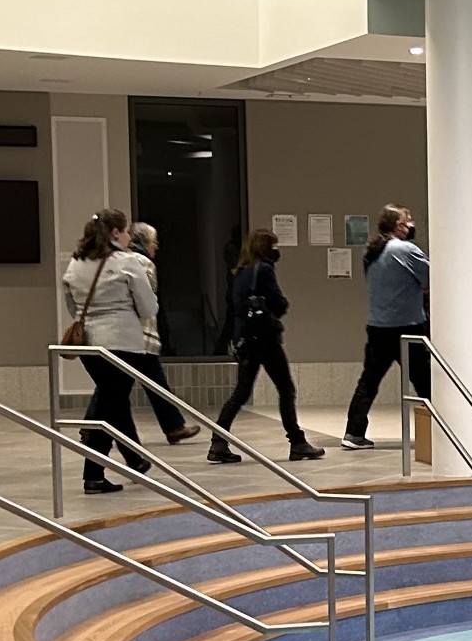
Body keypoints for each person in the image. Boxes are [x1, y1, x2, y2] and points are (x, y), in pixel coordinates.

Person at [60, 208, 159, 495]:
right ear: (116, 233)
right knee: (109, 405)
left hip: (90, 344)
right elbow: (148, 307)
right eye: (126, 231)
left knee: (114, 400)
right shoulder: (127, 262)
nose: (128, 237)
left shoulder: (76, 263)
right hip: (123, 342)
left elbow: (72, 304)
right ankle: (93, 474)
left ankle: (135, 459)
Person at [209, 228, 324, 464]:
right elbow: (279, 303)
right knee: (286, 389)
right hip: (265, 340)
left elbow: (237, 308)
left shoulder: (240, 272)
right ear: (265, 248)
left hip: (246, 339)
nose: (277, 250)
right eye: (274, 245)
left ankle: (218, 441)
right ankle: (297, 442)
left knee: (240, 393)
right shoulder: (264, 270)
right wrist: (281, 304)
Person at [342, 205, 431, 449]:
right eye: (407, 220)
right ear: (397, 225)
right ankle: (441, 429)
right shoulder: (405, 250)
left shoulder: (372, 252)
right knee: (424, 381)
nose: (411, 225)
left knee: (369, 381)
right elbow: (431, 278)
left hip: (378, 327)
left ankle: (353, 432)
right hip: (408, 327)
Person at [124, 223, 199, 446]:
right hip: (141, 335)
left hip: (129, 335)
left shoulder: (121, 261)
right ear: (144, 242)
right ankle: (174, 427)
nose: (156, 246)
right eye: (154, 241)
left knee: (121, 383)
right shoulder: (143, 263)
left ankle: (174, 426)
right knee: (136, 384)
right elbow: (147, 298)